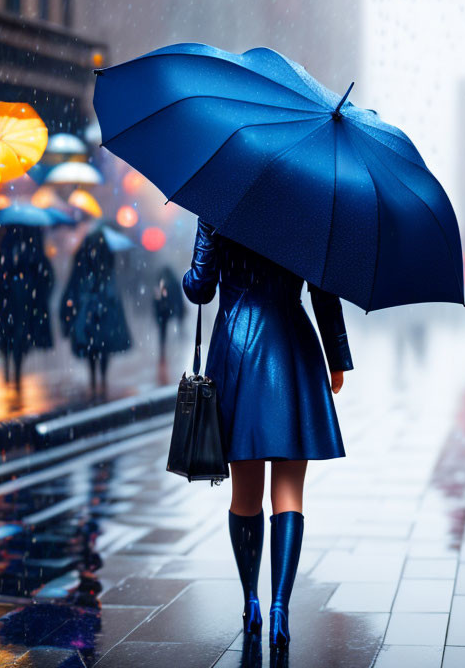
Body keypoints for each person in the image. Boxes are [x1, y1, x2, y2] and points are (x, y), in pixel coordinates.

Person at [182, 218, 352, 649]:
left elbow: (199, 288)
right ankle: (280, 606)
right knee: (290, 493)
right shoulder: (307, 207)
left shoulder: (218, 204)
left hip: (237, 345)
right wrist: (337, 356)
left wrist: (198, 260)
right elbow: (323, 292)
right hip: (293, 344)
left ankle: (250, 600)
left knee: (245, 493)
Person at [60, 230, 131, 401]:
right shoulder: (107, 255)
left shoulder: (83, 256)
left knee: (92, 346)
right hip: (103, 308)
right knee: (103, 346)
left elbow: (76, 281)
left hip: (90, 308)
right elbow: (112, 279)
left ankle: (94, 379)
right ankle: (102, 379)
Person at [0, 226, 54, 388]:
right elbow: (45, 273)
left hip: (12, 297)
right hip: (22, 297)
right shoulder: (32, 242)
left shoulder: (6, 240)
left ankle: (12, 366)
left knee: (11, 332)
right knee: (18, 334)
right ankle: (15, 369)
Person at [153, 265, 185, 364]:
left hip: (163, 311)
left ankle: (162, 349)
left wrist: (156, 311)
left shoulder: (161, 282)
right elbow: (178, 298)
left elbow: (156, 299)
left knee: (162, 331)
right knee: (165, 330)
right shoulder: (173, 282)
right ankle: (167, 348)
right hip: (168, 309)